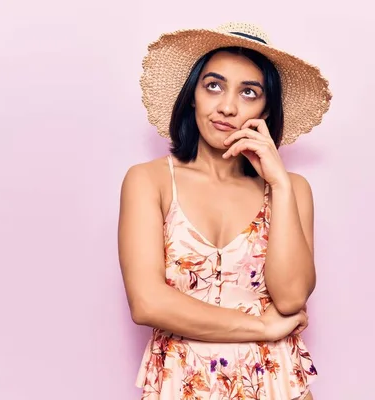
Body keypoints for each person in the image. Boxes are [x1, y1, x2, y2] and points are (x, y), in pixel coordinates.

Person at [118, 22, 332, 400]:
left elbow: (291, 298)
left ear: (266, 108)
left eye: (249, 92)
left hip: (274, 382)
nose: (228, 107)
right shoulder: (148, 181)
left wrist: (278, 183)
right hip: (181, 381)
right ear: (193, 96)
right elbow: (147, 302)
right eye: (213, 86)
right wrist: (262, 328)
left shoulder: (292, 188)